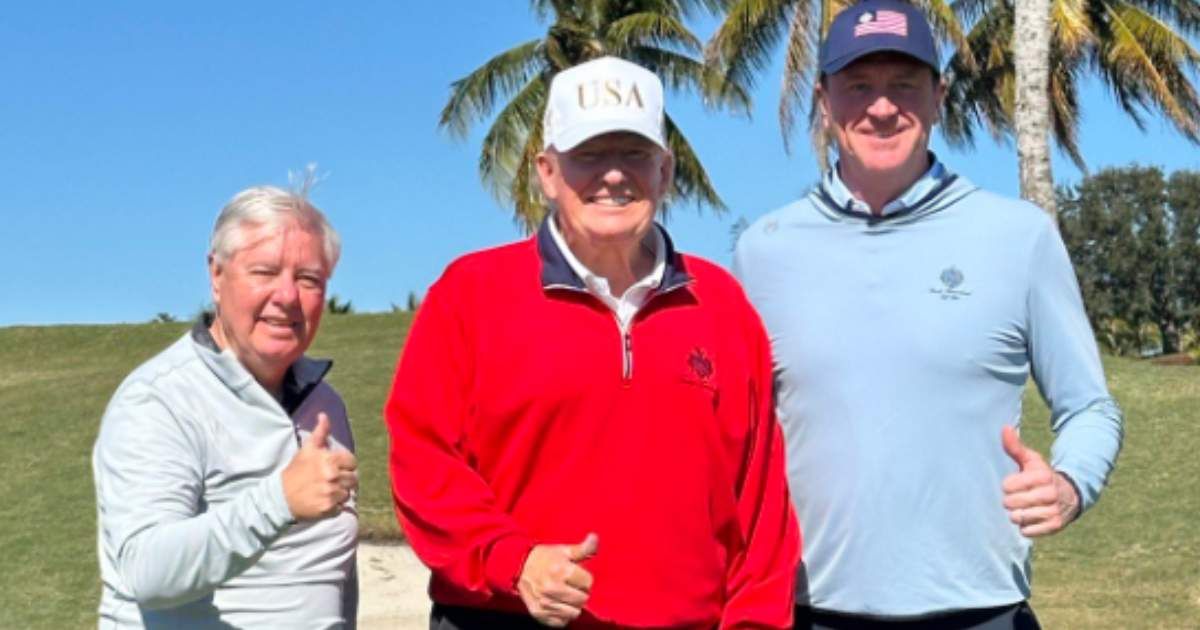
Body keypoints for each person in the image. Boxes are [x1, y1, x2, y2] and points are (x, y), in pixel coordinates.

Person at [733, 1, 1124, 627]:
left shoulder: (1017, 236)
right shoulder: (763, 250)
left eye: (904, 85)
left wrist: (1070, 483)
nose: (882, 107)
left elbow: (1090, 406)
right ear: (824, 100)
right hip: (812, 613)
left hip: (983, 612)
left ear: (939, 96)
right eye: (859, 85)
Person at [386, 56, 800, 629]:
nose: (613, 175)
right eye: (589, 155)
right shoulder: (470, 295)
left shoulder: (723, 306)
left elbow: (762, 511)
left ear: (665, 171)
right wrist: (515, 562)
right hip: (506, 616)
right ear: (547, 172)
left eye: (634, 153)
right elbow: (423, 463)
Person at [92, 183, 359, 628]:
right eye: (264, 272)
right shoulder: (159, 399)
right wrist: (278, 501)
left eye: (308, 278)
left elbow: (330, 578)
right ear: (217, 275)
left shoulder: (325, 405)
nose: (288, 296)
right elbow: (146, 570)